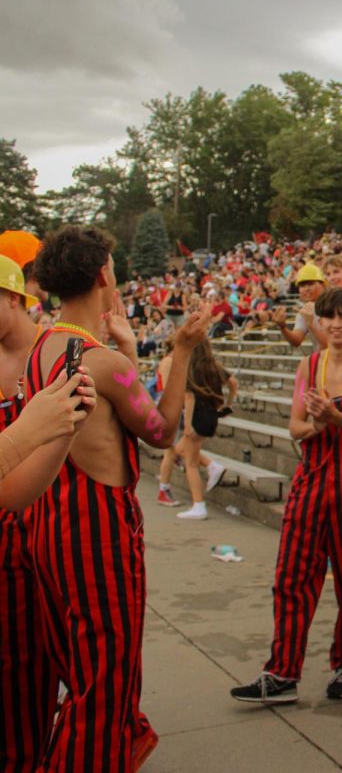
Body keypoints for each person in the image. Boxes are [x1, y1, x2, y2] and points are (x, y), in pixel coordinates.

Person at [26, 224, 210, 771]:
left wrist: (125, 350)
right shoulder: (99, 360)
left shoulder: (41, 345)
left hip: (48, 521)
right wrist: (180, 350)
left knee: (80, 672)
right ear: (105, 274)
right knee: (105, 685)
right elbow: (161, 429)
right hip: (96, 532)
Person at [231, 288, 342, 705]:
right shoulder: (308, 366)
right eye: (328, 317)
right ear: (319, 321)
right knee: (291, 576)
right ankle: (282, 672)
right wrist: (320, 424)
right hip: (312, 478)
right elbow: (295, 428)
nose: (336, 324)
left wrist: (335, 415)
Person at [0, 257, 95, 773]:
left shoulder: (54, 349)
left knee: (39, 670)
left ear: (14, 297)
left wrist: (63, 430)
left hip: (42, 538)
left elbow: (15, 493)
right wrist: (26, 433)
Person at [174, 338, 237, 521]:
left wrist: (187, 426)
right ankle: (212, 465)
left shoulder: (191, 368)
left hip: (197, 417)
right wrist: (228, 403)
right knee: (178, 450)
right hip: (211, 415)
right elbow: (234, 383)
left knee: (190, 463)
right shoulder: (214, 366)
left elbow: (190, 398)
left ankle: (198, 505)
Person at [269, 263, 327, 349]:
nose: (306, 289)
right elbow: (296, 341)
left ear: (323, 285)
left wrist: (311, 324)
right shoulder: (304, 312)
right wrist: (282, 327)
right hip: (323, 360)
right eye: (302, 286)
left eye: (310, 284)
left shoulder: (335, 305)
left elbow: (333, 346)